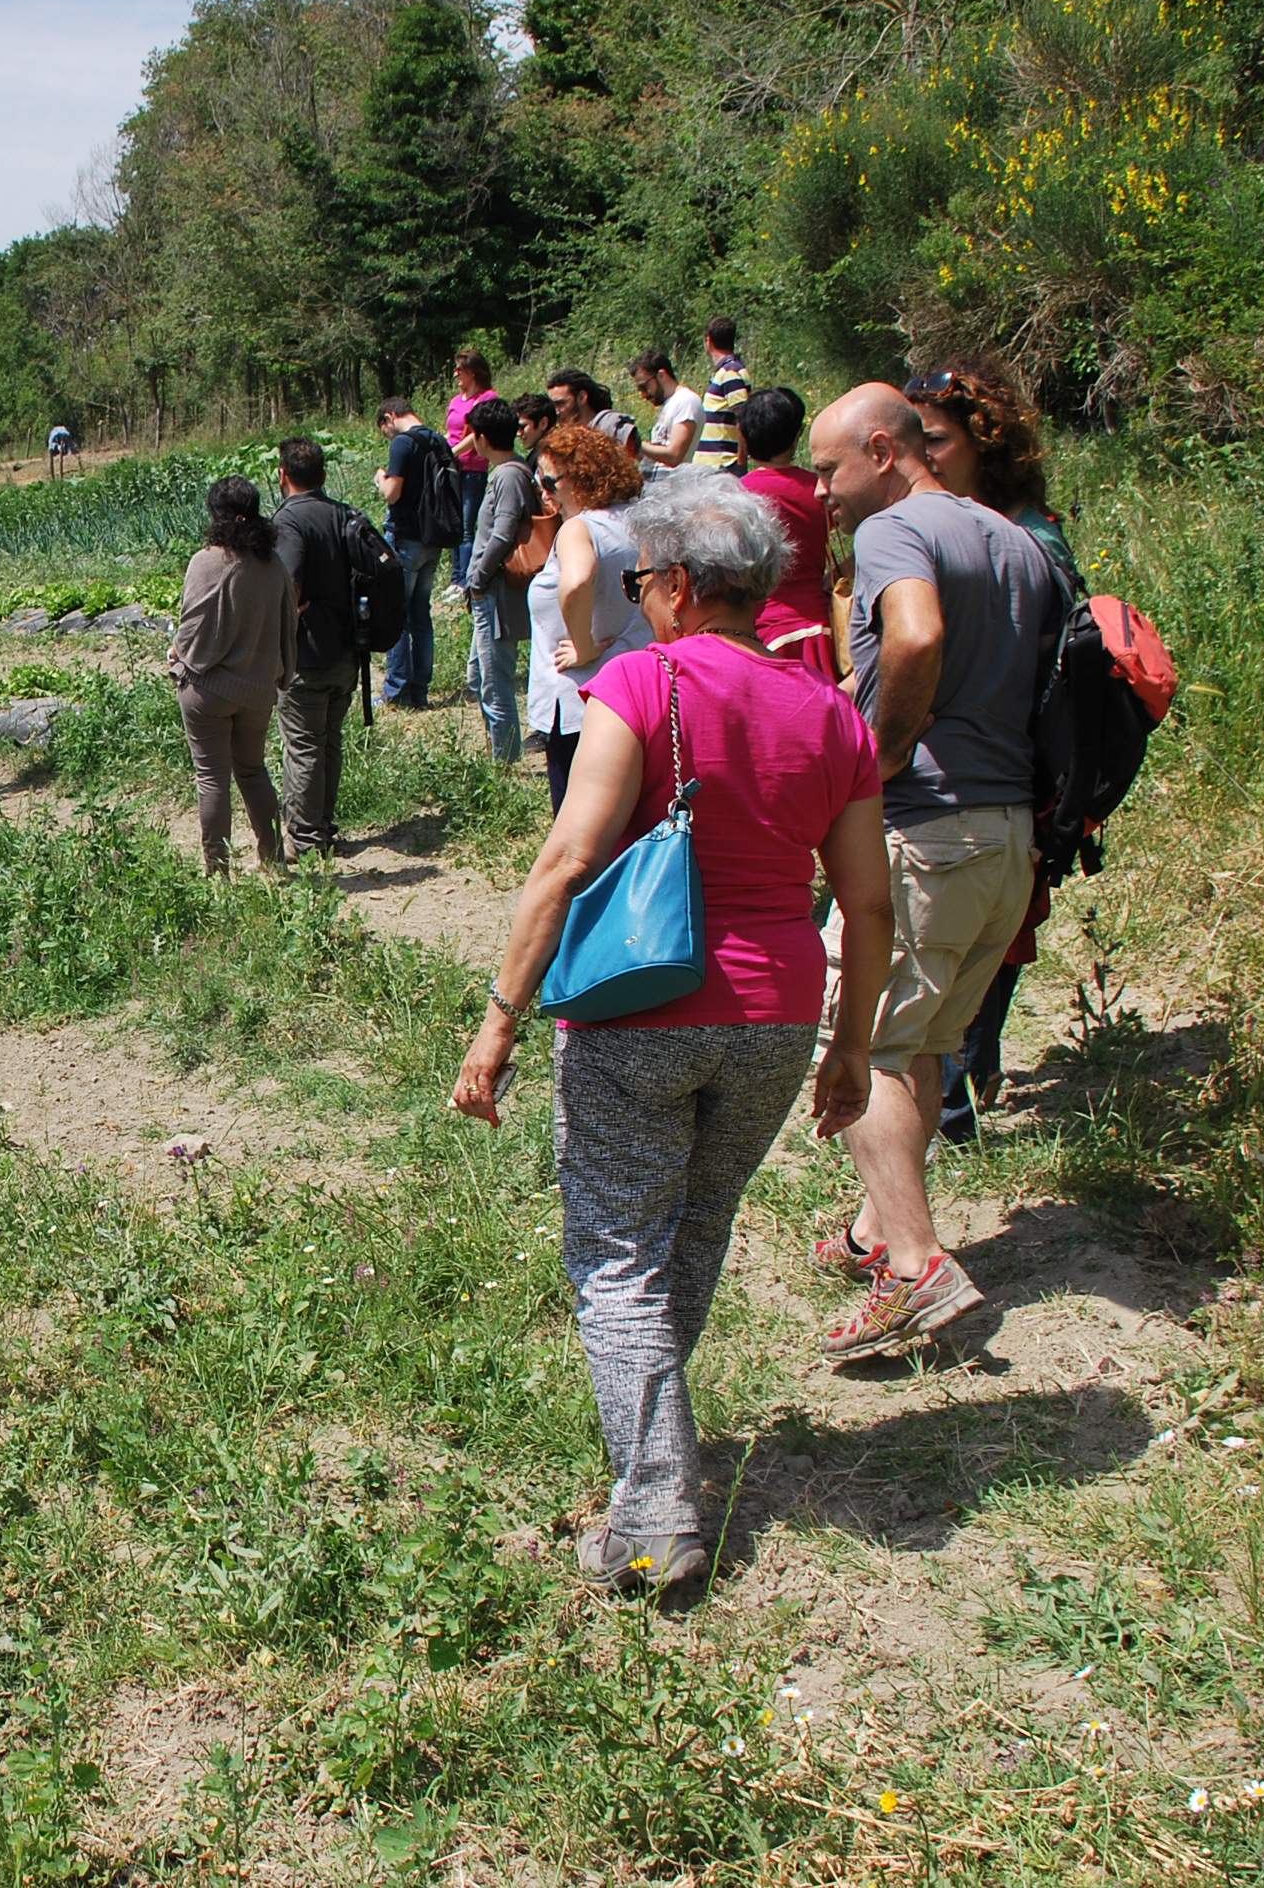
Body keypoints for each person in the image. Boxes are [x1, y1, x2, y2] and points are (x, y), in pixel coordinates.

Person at [451, 467, 893, 1593]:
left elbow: (566, 860)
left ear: (685, 587)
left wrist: (497, 1024)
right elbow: (868, 900)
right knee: (689, 1237)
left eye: (646, 581)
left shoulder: (644, 685)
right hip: (778, 1012)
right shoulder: (834, 709)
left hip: (645, 1004)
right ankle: (650, 1453)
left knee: (614, 1255)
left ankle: (652, 1519)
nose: (642, 599)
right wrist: (850, 1047)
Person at [806, 383, 1059, 1360]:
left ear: (881, 448)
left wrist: (879, 751)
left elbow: (912, 637)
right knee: (918, 1046)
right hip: (1002, 838)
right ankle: (876, 1231)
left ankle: (915, 1269)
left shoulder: (893, 534)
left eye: (828, 471)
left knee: (861, 1040)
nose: (821, 492)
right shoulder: (1015, 541)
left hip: (924, 829)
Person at [904, 358, 1072, 1142]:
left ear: (985, 441)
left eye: (935, 440)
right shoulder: (955, 528)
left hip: (1010, 783)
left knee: (989, 942)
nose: (922, 455)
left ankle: (955, 1102)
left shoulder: (1031, 540)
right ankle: (961, 1087)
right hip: (979, 783)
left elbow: (1049, 678)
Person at [171, 476, 294, 874]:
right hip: (257, 690)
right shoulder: (273, 564)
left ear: (214, 514)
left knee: (212, 779)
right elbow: (288, 625)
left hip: (209, 690)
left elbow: (191, 630)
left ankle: (218, 871)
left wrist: (177, 654)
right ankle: (275, 863)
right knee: (254, 771)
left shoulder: (207, 561)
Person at [525, 424, 651, 809]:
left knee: (578, 826)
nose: (544, 495)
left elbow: (577, 582)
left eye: (549, 482)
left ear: (581, 475)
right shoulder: (641, 520)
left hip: (581, 699)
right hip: (640, 692)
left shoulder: (580, 528)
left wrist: (584, 648)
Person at [271, 436, 361, 861]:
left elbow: (288, 581)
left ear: (283, 475)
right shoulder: (343, 514)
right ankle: (322, 827)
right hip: (347, 649)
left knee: (304, 745)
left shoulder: (289, 522)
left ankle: (306, 842)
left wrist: (284, 618)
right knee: (328, 742)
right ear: (322, 475)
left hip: (306, 653)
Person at [457, 395, 547, 762]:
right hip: (488, 591)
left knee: (496, 684)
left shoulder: (508, 476)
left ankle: (505, 763)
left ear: (480, 438)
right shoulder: (511, 471)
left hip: (494, 593)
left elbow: (503, 532)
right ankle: (500, 754)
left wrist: (476, 578)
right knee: (480, 679)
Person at [736, 387, 837, 678]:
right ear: (796, 438)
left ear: (743, 435)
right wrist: (836, 574)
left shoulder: (739, 497)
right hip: (822, 624)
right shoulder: (821, 489)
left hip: (766, 628)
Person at [371, 397, 458, 710]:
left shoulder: (403, 444)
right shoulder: (438, 440)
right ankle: (419, 690)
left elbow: (393, 493)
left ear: (390, 417)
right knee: (421, 614)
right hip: (433, 537)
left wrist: (381, 479)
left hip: (406, 537)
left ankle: (396, 690)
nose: (389, 436)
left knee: (398, 614)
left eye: (386, 429)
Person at [443, 350, 501, 587]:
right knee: (453, 524)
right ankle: (456, 576)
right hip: (452, 466)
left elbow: (478, 431)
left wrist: (453, 452)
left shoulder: (487, 398)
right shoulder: (456, 401)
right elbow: (452, 433)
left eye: (461, 369)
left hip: (472, 468)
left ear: (473, 372)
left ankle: (466, 579)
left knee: (467, 526)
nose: (456, 373)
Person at [632, 350, 705, 477]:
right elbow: (656, 456)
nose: (643, 395)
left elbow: (674, 456)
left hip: (673, 491)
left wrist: (638, 443)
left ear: (661, 376)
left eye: (644, 387)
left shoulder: (686, 400)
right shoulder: (670, 404)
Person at [696, 318, 750, 473]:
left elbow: (742, 418)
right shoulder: (729, 371)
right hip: (715, 463)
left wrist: (741, 461)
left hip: (722, 463)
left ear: (709, 341)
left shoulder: (730, 373)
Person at [549, 369, 640, 460]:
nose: (556, 411)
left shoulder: (611, 425)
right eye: (553, 405)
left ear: (582, 398)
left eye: (561, 403)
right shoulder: (565, 437)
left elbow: (630, 462)